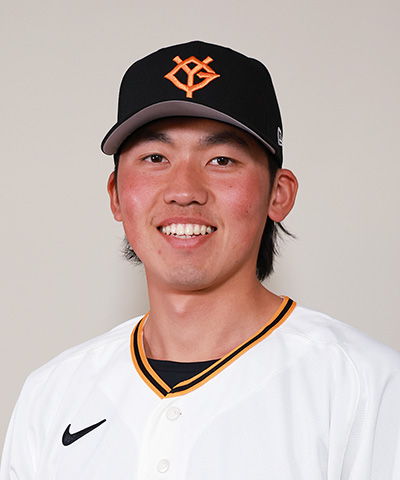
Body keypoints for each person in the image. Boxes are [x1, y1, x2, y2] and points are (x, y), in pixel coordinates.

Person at [1, 40, 400, 479]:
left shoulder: (365, 386)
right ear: (116, 195)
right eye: (155, 158)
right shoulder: (52, 395)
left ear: (278, 194)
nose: (184, 190)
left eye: (221, 160)